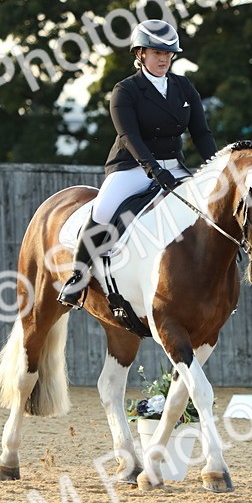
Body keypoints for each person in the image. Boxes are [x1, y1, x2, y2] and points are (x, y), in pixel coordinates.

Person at [58, 19, 218, 308]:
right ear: (140, 54)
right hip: (131, 167)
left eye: (168, 53)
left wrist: (217, 168)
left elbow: (201, 133)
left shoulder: (183, 87)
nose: (164, 59)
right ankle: (78, 277)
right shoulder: (126, 90)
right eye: (157, 53)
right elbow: (128, 136)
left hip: (174, 166)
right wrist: (154, 170)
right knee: (104, 208)